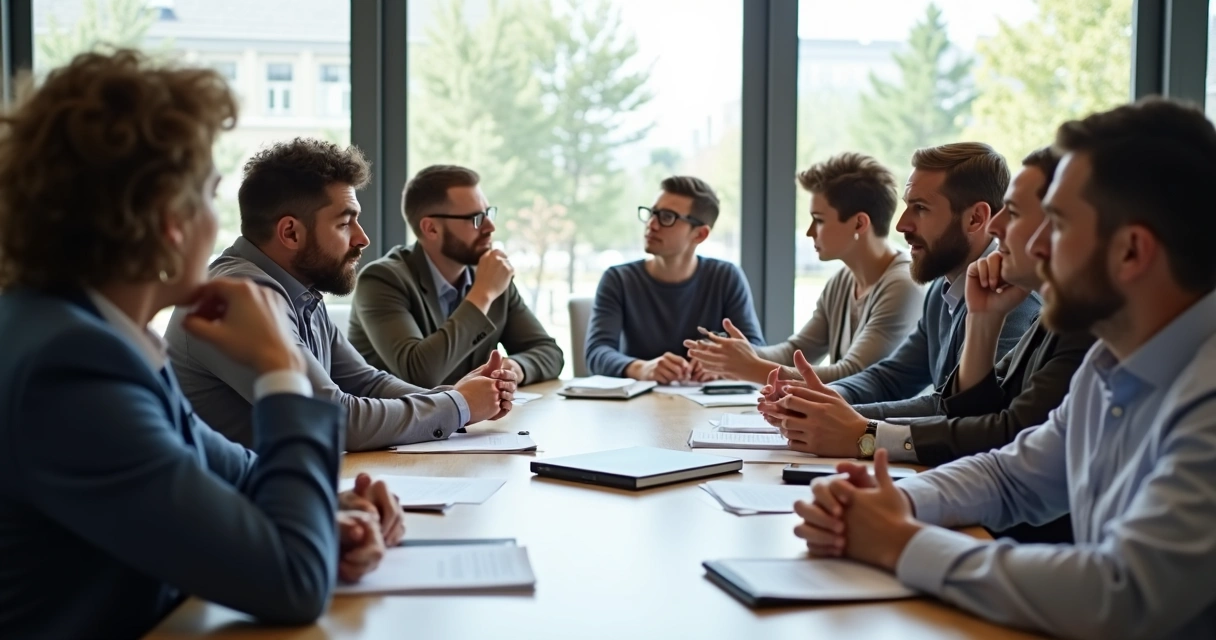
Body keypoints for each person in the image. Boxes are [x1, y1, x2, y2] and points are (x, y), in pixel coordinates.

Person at [0, 50, 401, 638]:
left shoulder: (99, 333)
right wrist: (279, 371)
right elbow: (292, 583)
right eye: (211, 196)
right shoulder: (70, 369)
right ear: (170, 219)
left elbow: (226, 474)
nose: (220, 227)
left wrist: (331, 508)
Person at [794, 98, 1216, 639]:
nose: (1032, 246)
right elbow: (1010, 474)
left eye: (1056, 225)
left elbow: (1121, 593)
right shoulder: (1109, 366)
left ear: (1131, 252)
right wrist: (890, 500)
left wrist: (900, 542)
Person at [166, 139, 515, 452]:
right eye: (345, 223)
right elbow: (336, 419)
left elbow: (367, 383)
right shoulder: (240, 296)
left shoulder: (297, 288)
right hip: (240, 509)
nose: (363, 238)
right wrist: (460, 405)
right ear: (290, 232)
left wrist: (457, 395)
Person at [761, 148, 1093, 469]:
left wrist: (863, 432)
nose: (901, 224)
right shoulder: (950, 291)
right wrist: (826, 401)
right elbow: (914, 386)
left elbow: (996, 431)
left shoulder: (1032, 309)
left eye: (919, 208)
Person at [768, 143, 1040, 421]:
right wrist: (819, 396)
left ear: (975, 218)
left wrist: (836, 416)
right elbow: (891, 377)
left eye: (920, 208)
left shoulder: (1011, 301)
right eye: (907, 206)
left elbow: (961, 414)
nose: (901, 225)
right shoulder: (941, 290)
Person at [685, 153, 923, 385]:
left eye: (819, 220)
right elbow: (796, 352)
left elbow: (853, 376)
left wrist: (752, 367)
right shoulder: (843, 280)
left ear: (859, 223)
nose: (810, 232)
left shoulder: (902, 285)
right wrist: (741, 355)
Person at [348, 165, 563, 387]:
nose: (490, 227)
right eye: (476, 218)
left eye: (489, 214)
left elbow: (550, 353)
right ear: (431, 229)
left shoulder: (491, 276)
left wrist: (517, 368)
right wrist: (483, 294)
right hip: (399, 419)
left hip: (474, 419)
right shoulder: (381, 280)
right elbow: (419, 373)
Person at [585, 176, 764, 383]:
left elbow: (754, 348)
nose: (652, 224)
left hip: (708, 409)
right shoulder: (618, 279)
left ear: (699, 234)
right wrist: (642, 369)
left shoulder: (726, 277)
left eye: (667, 217)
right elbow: (596, 352)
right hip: (637, 407)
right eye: (652, 213)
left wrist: (721, 365)